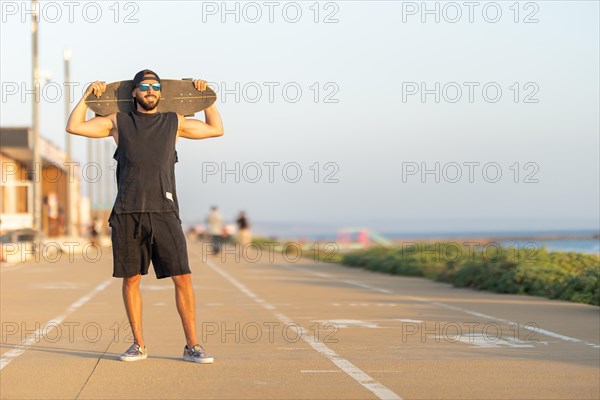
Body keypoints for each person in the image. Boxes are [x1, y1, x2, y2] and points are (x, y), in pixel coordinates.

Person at [66, 69, 224, 363]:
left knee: (183, 279)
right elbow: (74, 127)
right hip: (127, 212)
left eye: (155, 86)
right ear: (134, 92)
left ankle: (192, 345)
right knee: (131, 280)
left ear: (160, 93)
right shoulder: (118, 122)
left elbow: (216, 129)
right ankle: (138, 344)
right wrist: (88, 97)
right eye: (145, 86)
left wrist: (205, 98)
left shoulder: (173, 121)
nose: (151, 90)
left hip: (165, 211)